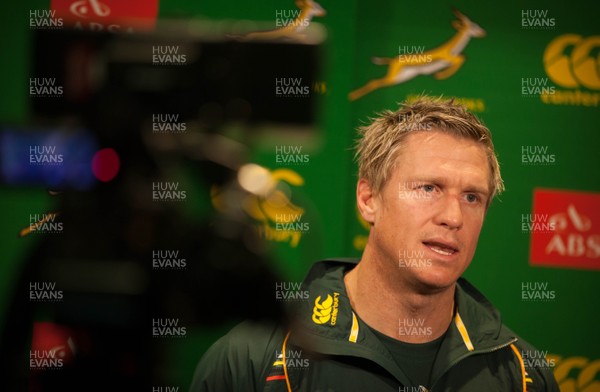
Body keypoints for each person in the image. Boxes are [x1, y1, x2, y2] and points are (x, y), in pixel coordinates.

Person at [189, 96, 559, 392]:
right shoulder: (253, 360)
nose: (454, 217)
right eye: (428, 188)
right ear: (369, 199)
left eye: (473, 197)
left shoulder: (524, 375)